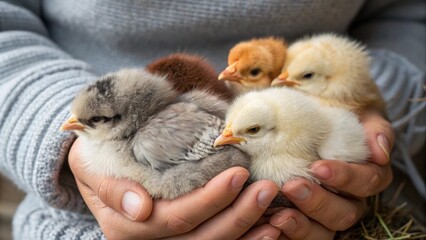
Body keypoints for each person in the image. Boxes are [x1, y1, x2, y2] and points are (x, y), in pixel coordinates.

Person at [0, 0, 424, 239]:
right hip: (70, 219)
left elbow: (408, 12)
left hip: (346, 214)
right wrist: (55, 130)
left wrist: (364, 94)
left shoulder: (227, 131)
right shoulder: (136, 135)